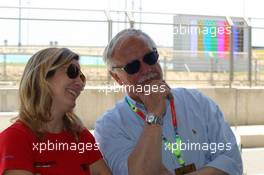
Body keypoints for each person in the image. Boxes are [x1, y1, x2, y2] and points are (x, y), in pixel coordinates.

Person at [94, 29, 243, 175]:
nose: (146, 69)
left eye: (150, 58)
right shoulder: (109, 126)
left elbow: (231, 161)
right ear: (117, 78)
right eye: (132, 67)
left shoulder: (197, 102)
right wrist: (154, 114)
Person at [0, 48, 112, 175]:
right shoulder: (15, 139)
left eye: (82, 77)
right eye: (72, 71)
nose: (81, 83)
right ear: (43, 77)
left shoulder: (81, 137)